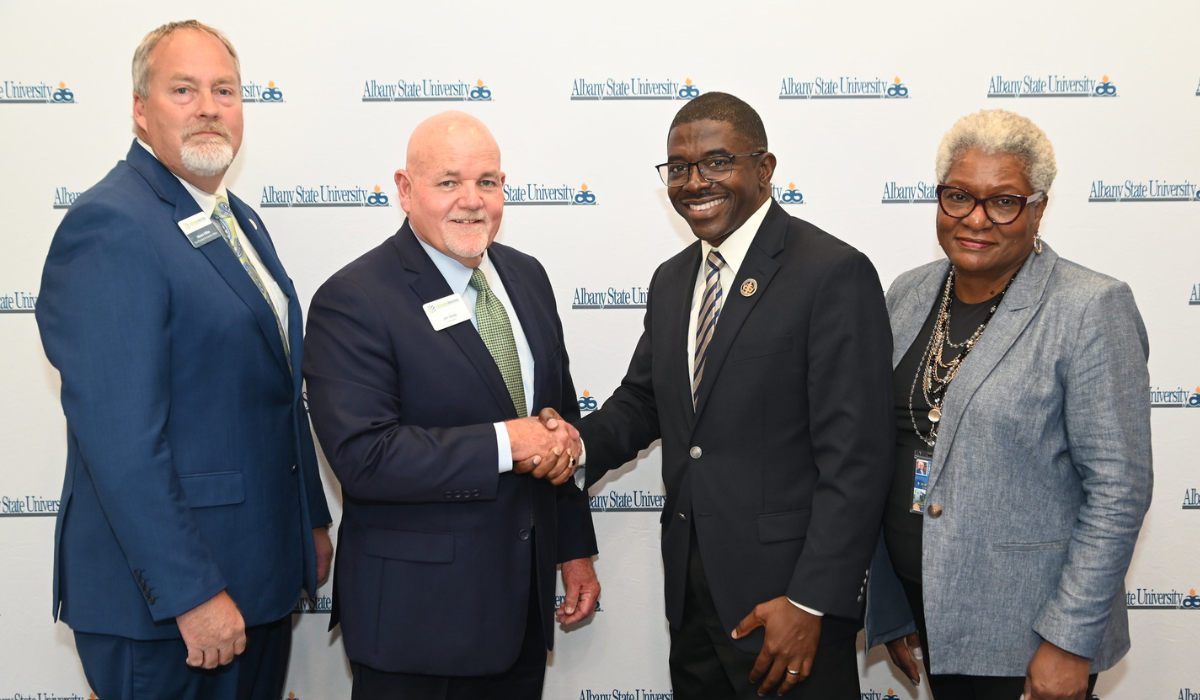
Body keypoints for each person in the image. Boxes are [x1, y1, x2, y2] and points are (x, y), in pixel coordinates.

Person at [35, 20, 333, 700]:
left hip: (255, 580)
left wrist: (307, 520)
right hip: (171, 610)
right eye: (183, 89)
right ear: (140, 110)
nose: (208, 106)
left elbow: (280, 394)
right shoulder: (112, 225)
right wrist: (190, 593)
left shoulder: (238, 219)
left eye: (224, 90)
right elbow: (121, 443)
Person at [569, 92, 894, 699]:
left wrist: (812, 602)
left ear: (764, 168)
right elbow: (643, 403)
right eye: (680, 167)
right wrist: (568, 448)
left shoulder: (831, 272)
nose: (695, 182)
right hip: (694, 603)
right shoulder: (673, 280)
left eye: (717, 162)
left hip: (788, 612)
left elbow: (858, 459)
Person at [302, 111, 600, 700]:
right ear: (405, 190)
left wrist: (573, 550)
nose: (472, 201)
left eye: (487, 182)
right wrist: (504, 442)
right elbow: (364, 456)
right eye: (448, 182)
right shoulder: (353, 298)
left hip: (521, 615)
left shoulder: (527, 277)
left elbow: (557, 422)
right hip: (418, 627)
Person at [864, 109, 1152, 700]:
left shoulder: (1090, 307)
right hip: (927, 609)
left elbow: (1119, 489)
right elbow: (889, 450)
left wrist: (1068, 641)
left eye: (1003, 202)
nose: (976, 218)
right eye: (958, 196)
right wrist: (893, 606)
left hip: (1027, 631)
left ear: (1039, 208)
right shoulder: (908, 292)